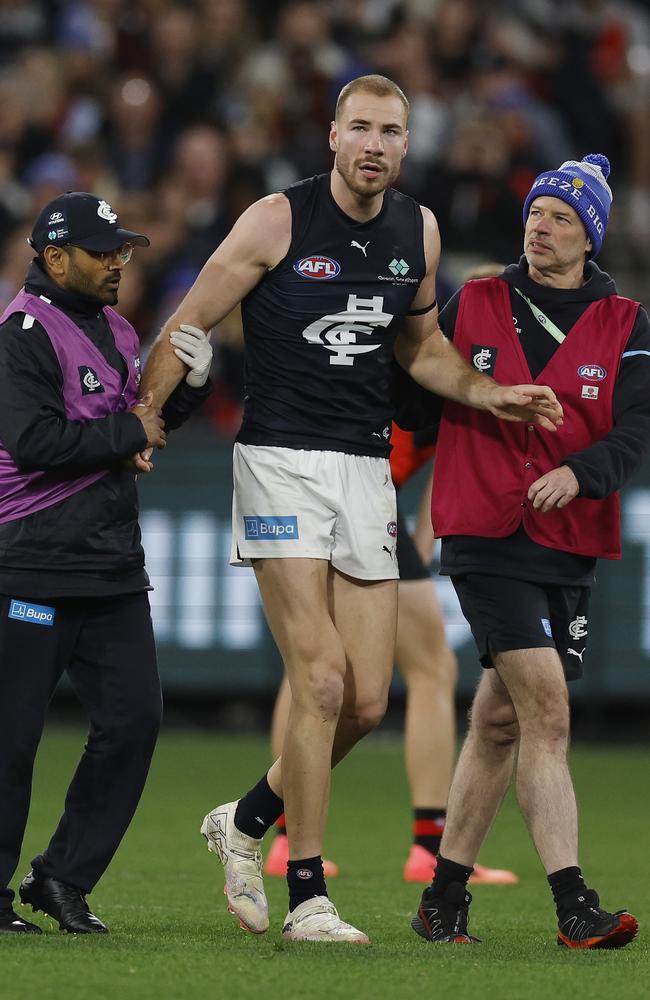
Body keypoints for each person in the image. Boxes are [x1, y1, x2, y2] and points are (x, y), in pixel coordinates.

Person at [139, 74, 561, 944]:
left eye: (392, 131)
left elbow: (421, 346)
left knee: (370, 701)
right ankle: (308, 897)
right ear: (332, 136)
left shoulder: (418, 230)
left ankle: (246, 820)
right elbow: (189, 322)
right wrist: (145, 416)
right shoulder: (275, 220)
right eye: (360, 127)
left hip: (366, 468)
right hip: (280, 460)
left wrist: (487, 395)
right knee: (322, 680)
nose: (375, 143)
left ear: (408, 145)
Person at [411, 153, 646, 949]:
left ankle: (443, 900)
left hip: (568, 539)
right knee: (546, 708)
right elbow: (415, 380)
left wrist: (581, 475)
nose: (540, 227)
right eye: (537, 213)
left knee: (500, 720)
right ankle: (574, 907)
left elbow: (636, 430)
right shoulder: (476, 298)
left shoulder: (627, 322)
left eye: (561, 218)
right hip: (485, 532)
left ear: (591, 235)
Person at [0, 191, 212, 935]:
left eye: (122, 247)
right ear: (55, 257)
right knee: (12, 737)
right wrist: (131, 427)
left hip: (110, 566)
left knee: (133, 721)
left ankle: (61, 878)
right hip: (30, 567)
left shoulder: (120, 331)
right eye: (102, 251)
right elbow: (35, 444)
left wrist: (188, 388)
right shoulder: (21, 332)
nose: (119, 260)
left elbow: (137, 432)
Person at [264, 424, 518, 886]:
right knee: (431, 668)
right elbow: (451, 458)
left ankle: (284, 837)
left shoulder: (434, 367)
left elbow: (442, 462)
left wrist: (419, 545)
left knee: (309, 664)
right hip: (362, 490)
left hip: (326, 485)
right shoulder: (446, 362)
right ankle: (429, 844)